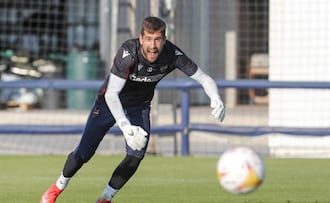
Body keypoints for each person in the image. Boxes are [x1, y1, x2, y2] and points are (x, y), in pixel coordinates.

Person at [40, 16, 225, 203]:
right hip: (108, 104)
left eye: (158, 39)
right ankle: (56, 189)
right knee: (84, 153)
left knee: (136, 155)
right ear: (141, 38)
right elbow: (112, 94)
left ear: (165, 40)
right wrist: (125, 127)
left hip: (139, 106)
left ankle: (105, 198)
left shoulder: (172, 54)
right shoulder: (129, 52)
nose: (153, 45)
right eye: (149, 39)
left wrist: (215, 97)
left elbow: (204, 78)